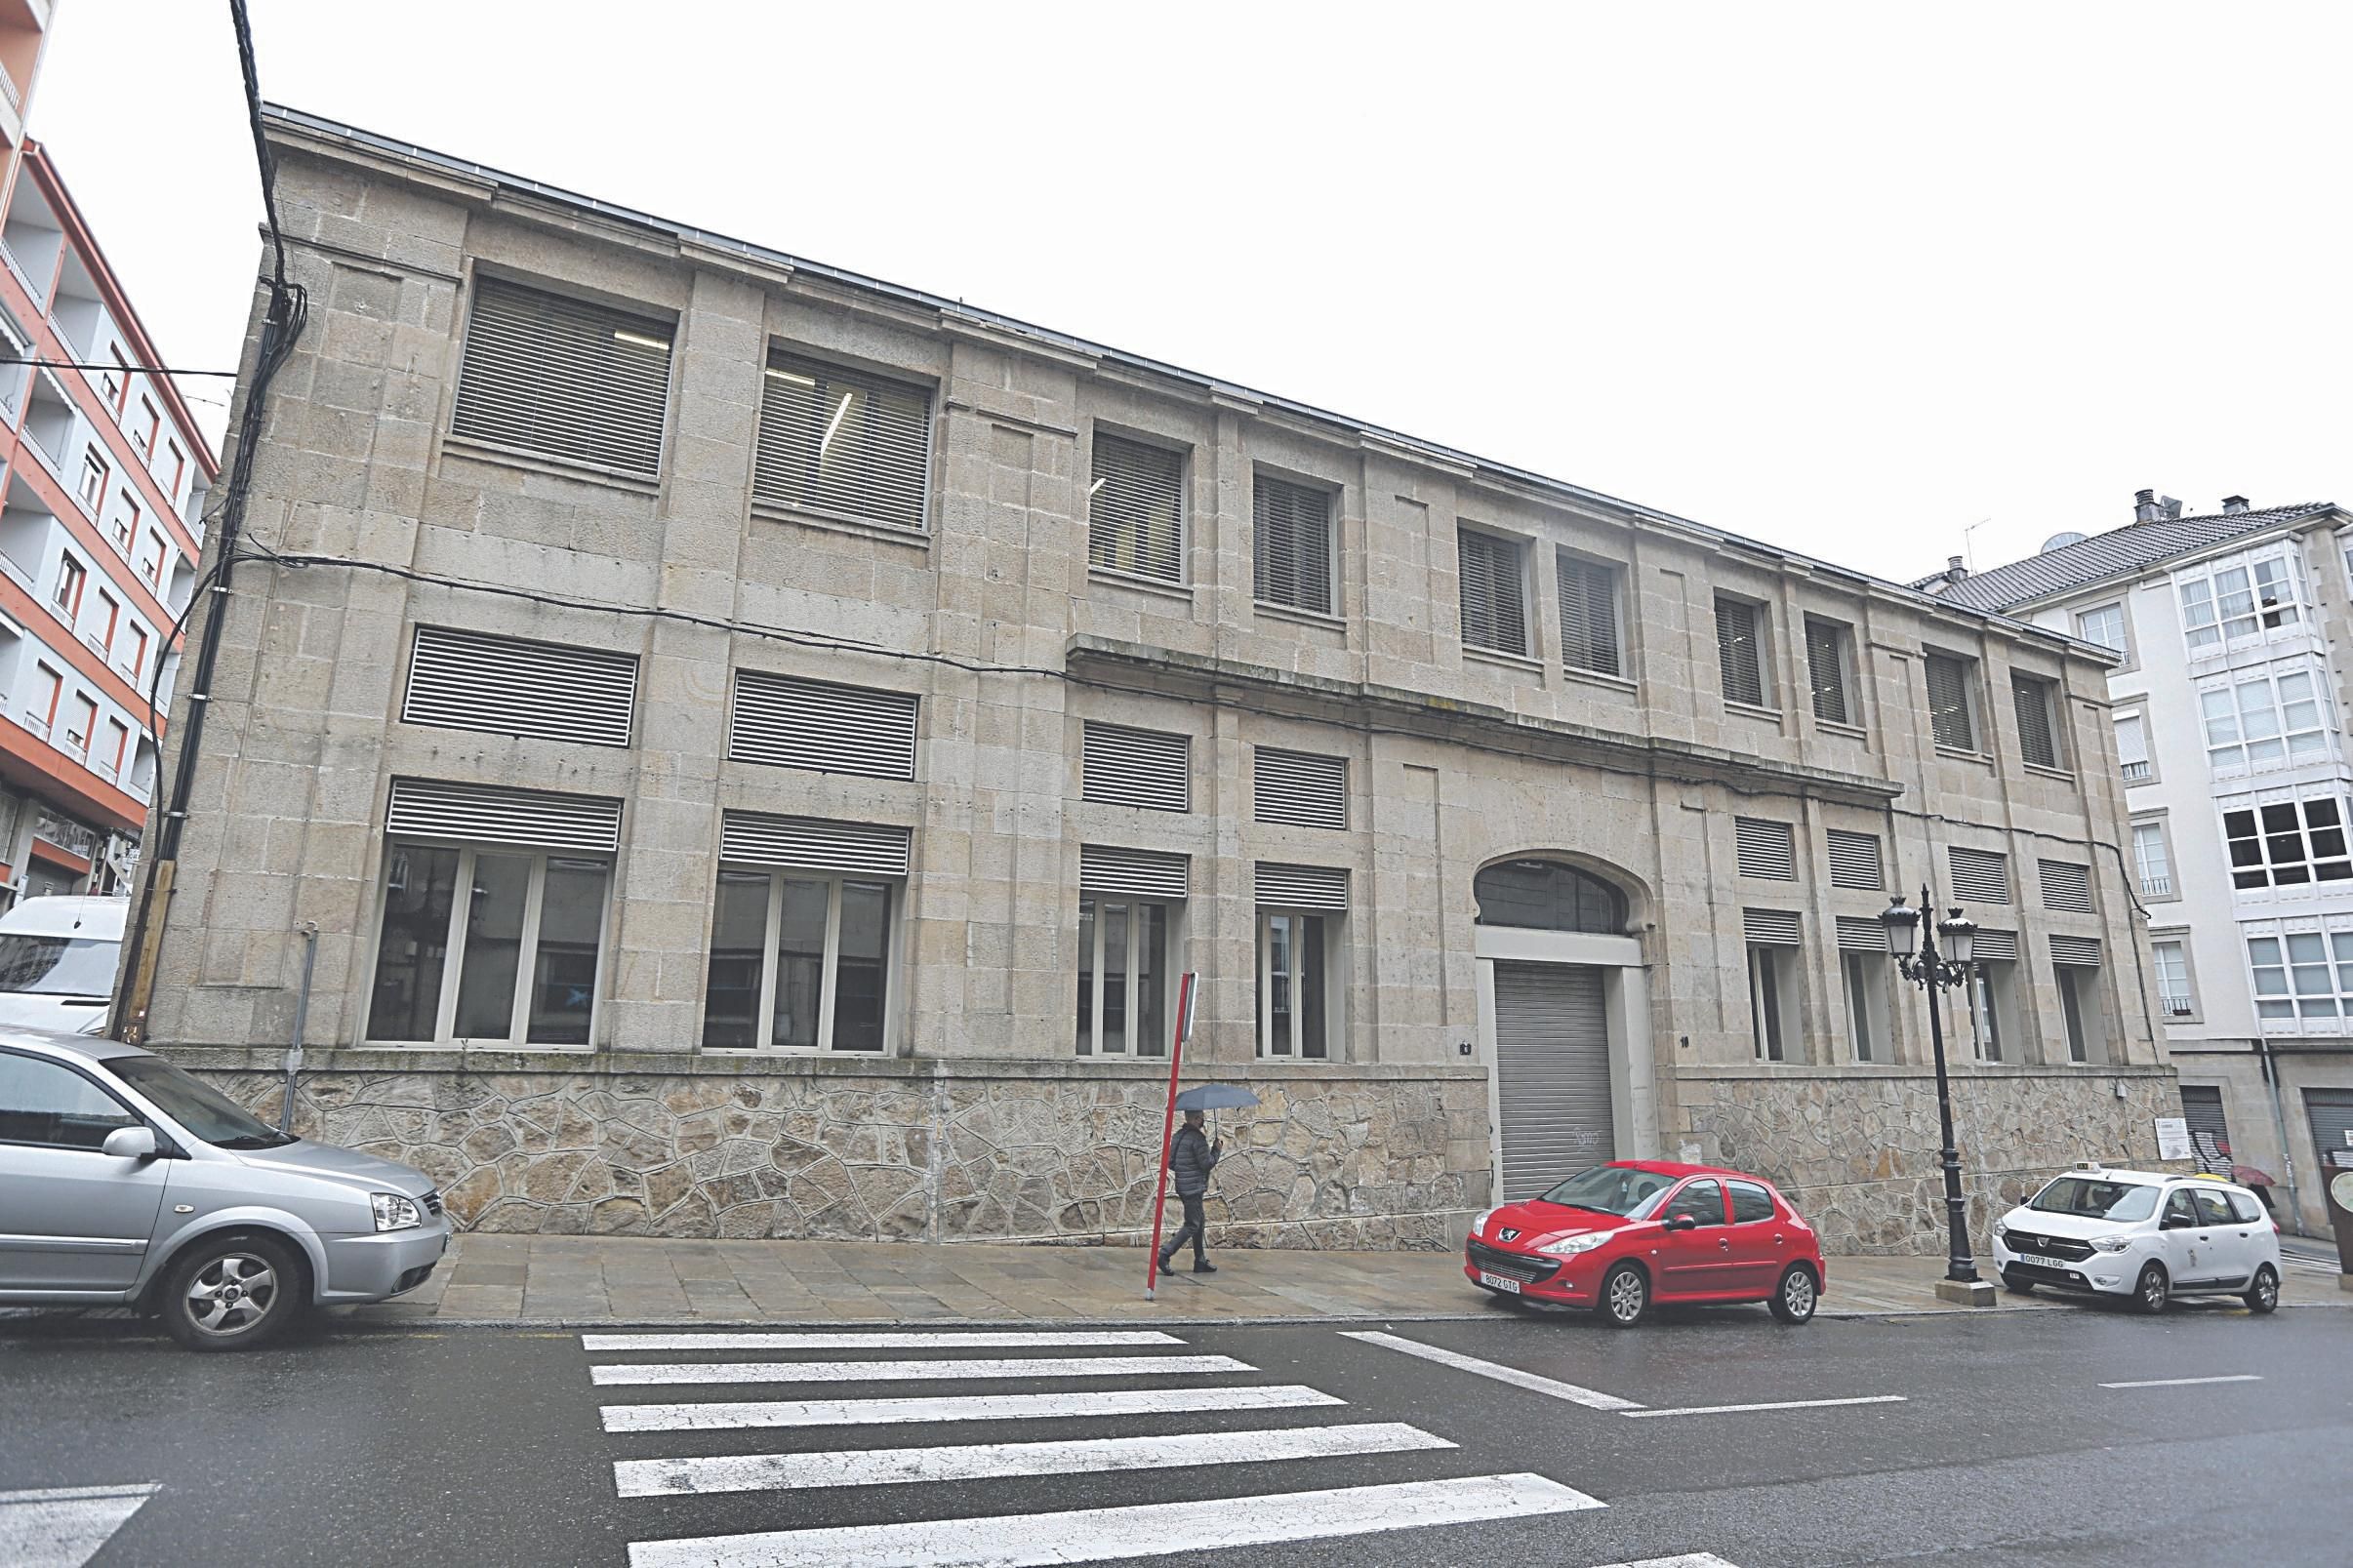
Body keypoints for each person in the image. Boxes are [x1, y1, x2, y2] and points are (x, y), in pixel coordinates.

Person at [1158, 1108, 1221, 1274]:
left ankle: (1200, 1260)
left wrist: (1185, 1168)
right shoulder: (1198, 1138)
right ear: (1196, 1119)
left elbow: (1171, 1162)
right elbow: (1207, 1163)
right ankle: (1164, 1254)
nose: (1203, 1121)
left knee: (1199, 1220)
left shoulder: (1178, 1135)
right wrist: (1216, 1150)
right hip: (1193, 1187)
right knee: (1192, 1224)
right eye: (1201, 1118)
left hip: (1182, 1185)